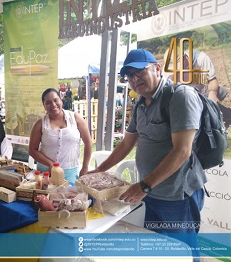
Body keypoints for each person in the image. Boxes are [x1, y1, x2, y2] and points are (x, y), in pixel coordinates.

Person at [90, 49, 206, 258]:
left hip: (176, 196)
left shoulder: (180, 96)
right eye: (129, 76)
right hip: (150, 193)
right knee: (158, 251)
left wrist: (144, 185)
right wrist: (99, 171)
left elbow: (182, 151)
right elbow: (126, 145)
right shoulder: (139, 106)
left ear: (157, 68)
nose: (134, 79)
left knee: (182, 252)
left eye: (139, 72)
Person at [29, 88, 92, 183]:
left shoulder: (75, 118)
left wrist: (85, 167)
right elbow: (32, 150)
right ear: (44, 106)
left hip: (70, 172)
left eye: (55, 100)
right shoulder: (40, 124)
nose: (53, 105)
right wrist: (50, 164)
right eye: (48, 102)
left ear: (61, 100)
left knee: (69, 197)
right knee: (44, 197)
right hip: (46, 172)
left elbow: (88, 143)